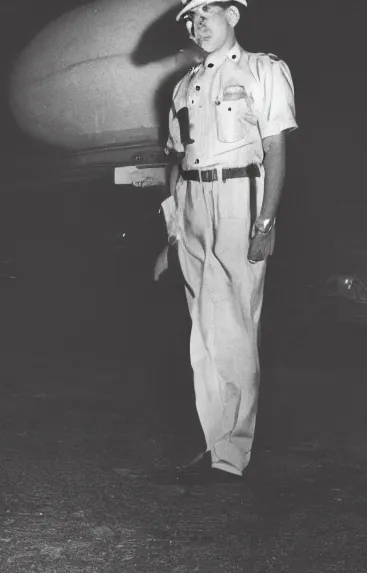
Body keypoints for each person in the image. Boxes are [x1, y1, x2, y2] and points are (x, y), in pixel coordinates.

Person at [153, 0, 296, 484]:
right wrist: (171, 234)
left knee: (236, 325)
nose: (198, 25)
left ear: (233, 16)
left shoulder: (264, 70)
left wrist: (266, 221)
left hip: (241, 196)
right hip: (192, 201)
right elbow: (176, 159)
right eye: (191, 19)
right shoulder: (182, 86)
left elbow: (276, 146)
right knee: (202, 330)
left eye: (207, 13)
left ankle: (233, 452)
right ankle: (215, 442)